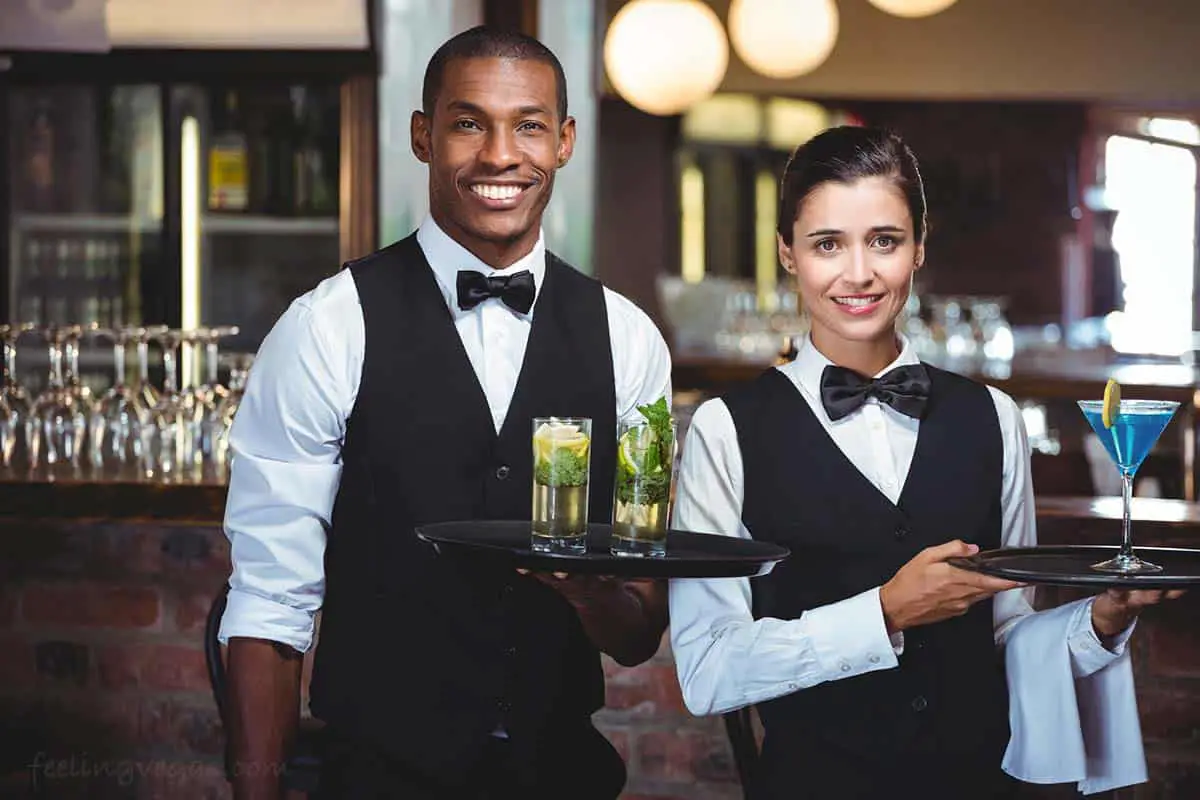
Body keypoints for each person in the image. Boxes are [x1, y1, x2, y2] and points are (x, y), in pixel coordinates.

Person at [217, 25, 672, 800]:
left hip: (561, 772)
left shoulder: (629, 341)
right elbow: (269, 599)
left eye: (528, 125)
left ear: (563, 142)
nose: (500, 155)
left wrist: (587, 587)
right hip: (379, 772)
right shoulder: (328, 325)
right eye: (469, 123)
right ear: (422, 136)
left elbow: (636, 635)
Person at [667, 125, 1183, 799]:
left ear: (918, 249)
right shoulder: (725, 429)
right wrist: (884, 612)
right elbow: (709, 671)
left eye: (885, 240)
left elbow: (1008, 635)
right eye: (828, 244)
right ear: (787, 253)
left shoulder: (992, 417)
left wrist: (1101, 622)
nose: (859, 273)